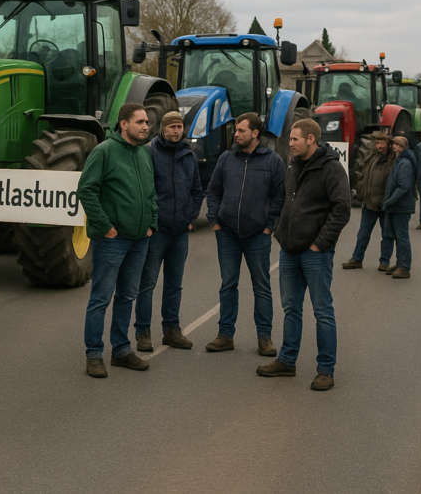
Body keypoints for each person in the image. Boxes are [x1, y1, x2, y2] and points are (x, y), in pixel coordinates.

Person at [257, 119, 350, 391]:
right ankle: (287, 361)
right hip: (289, 251)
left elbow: (341, 209)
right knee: (291, 309)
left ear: (311, 139)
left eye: (295, 139)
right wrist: (279, 231)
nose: (291, 143)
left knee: (322, 311)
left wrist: (320, 244)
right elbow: (287, 200)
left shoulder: (331, 168)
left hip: (315, 254)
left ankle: (325, 370)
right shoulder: (292, 165)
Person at [78, 102, 158, 378]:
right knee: (101, 297)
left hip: (139, 240)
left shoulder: (144, 154)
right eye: (140, 122)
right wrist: (106, 227)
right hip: (112, 240)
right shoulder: (104, 151)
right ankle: (94, 354)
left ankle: (122, 350)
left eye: (147, 122)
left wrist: (151, 223)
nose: (146, 127)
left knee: (127, 295)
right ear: (124, 124)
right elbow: (86, 190)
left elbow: (151, 193)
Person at [204, 113, 286, 356]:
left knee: (261, 286)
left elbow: (278, 198)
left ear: (255, 133)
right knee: (228, 285)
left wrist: (269, 227)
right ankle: (225, 335)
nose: (236, 134)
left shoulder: (273, 161)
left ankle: (264, 338)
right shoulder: (226, 159)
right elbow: (214, 190)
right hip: (227, 233)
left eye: (241, 130)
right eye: (236, 130)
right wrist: (214, 221)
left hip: (257, 236)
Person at [134, 111, 204, 353]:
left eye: (179, 127)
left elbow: (197, 191)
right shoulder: (150, 153)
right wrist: (151, 223)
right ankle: (142, 332)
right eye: (171, 127)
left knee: (174, 284)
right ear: (163, 129)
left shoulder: (189, 156)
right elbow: (145, 191)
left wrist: (190, 218)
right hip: (157, 232)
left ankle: (171, 330)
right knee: (148, 284)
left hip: (179, 233)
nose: (176, 131)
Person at [342, 133, 395, 271]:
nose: (379, 146)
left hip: (385, 204)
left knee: (387, 235)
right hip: (369, 202)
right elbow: (363, 176)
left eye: (382, 143)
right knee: (363, 234)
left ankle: (384, 262)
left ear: (388, 143)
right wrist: (360, 192)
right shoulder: (372, 157)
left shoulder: (393, 159)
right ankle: (357, 259)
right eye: (377, 143)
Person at [382, 136, 417, 279]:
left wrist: (390, 201)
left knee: (402, 237)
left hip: (400, 206)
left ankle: (404, 267)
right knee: (397, 236)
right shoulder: (399, 160)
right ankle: (399, 263)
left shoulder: (405, 163)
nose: (394, 147)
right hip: (396, 205)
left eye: (397, 145)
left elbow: (403, 187)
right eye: (394, 144)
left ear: (402, 146)